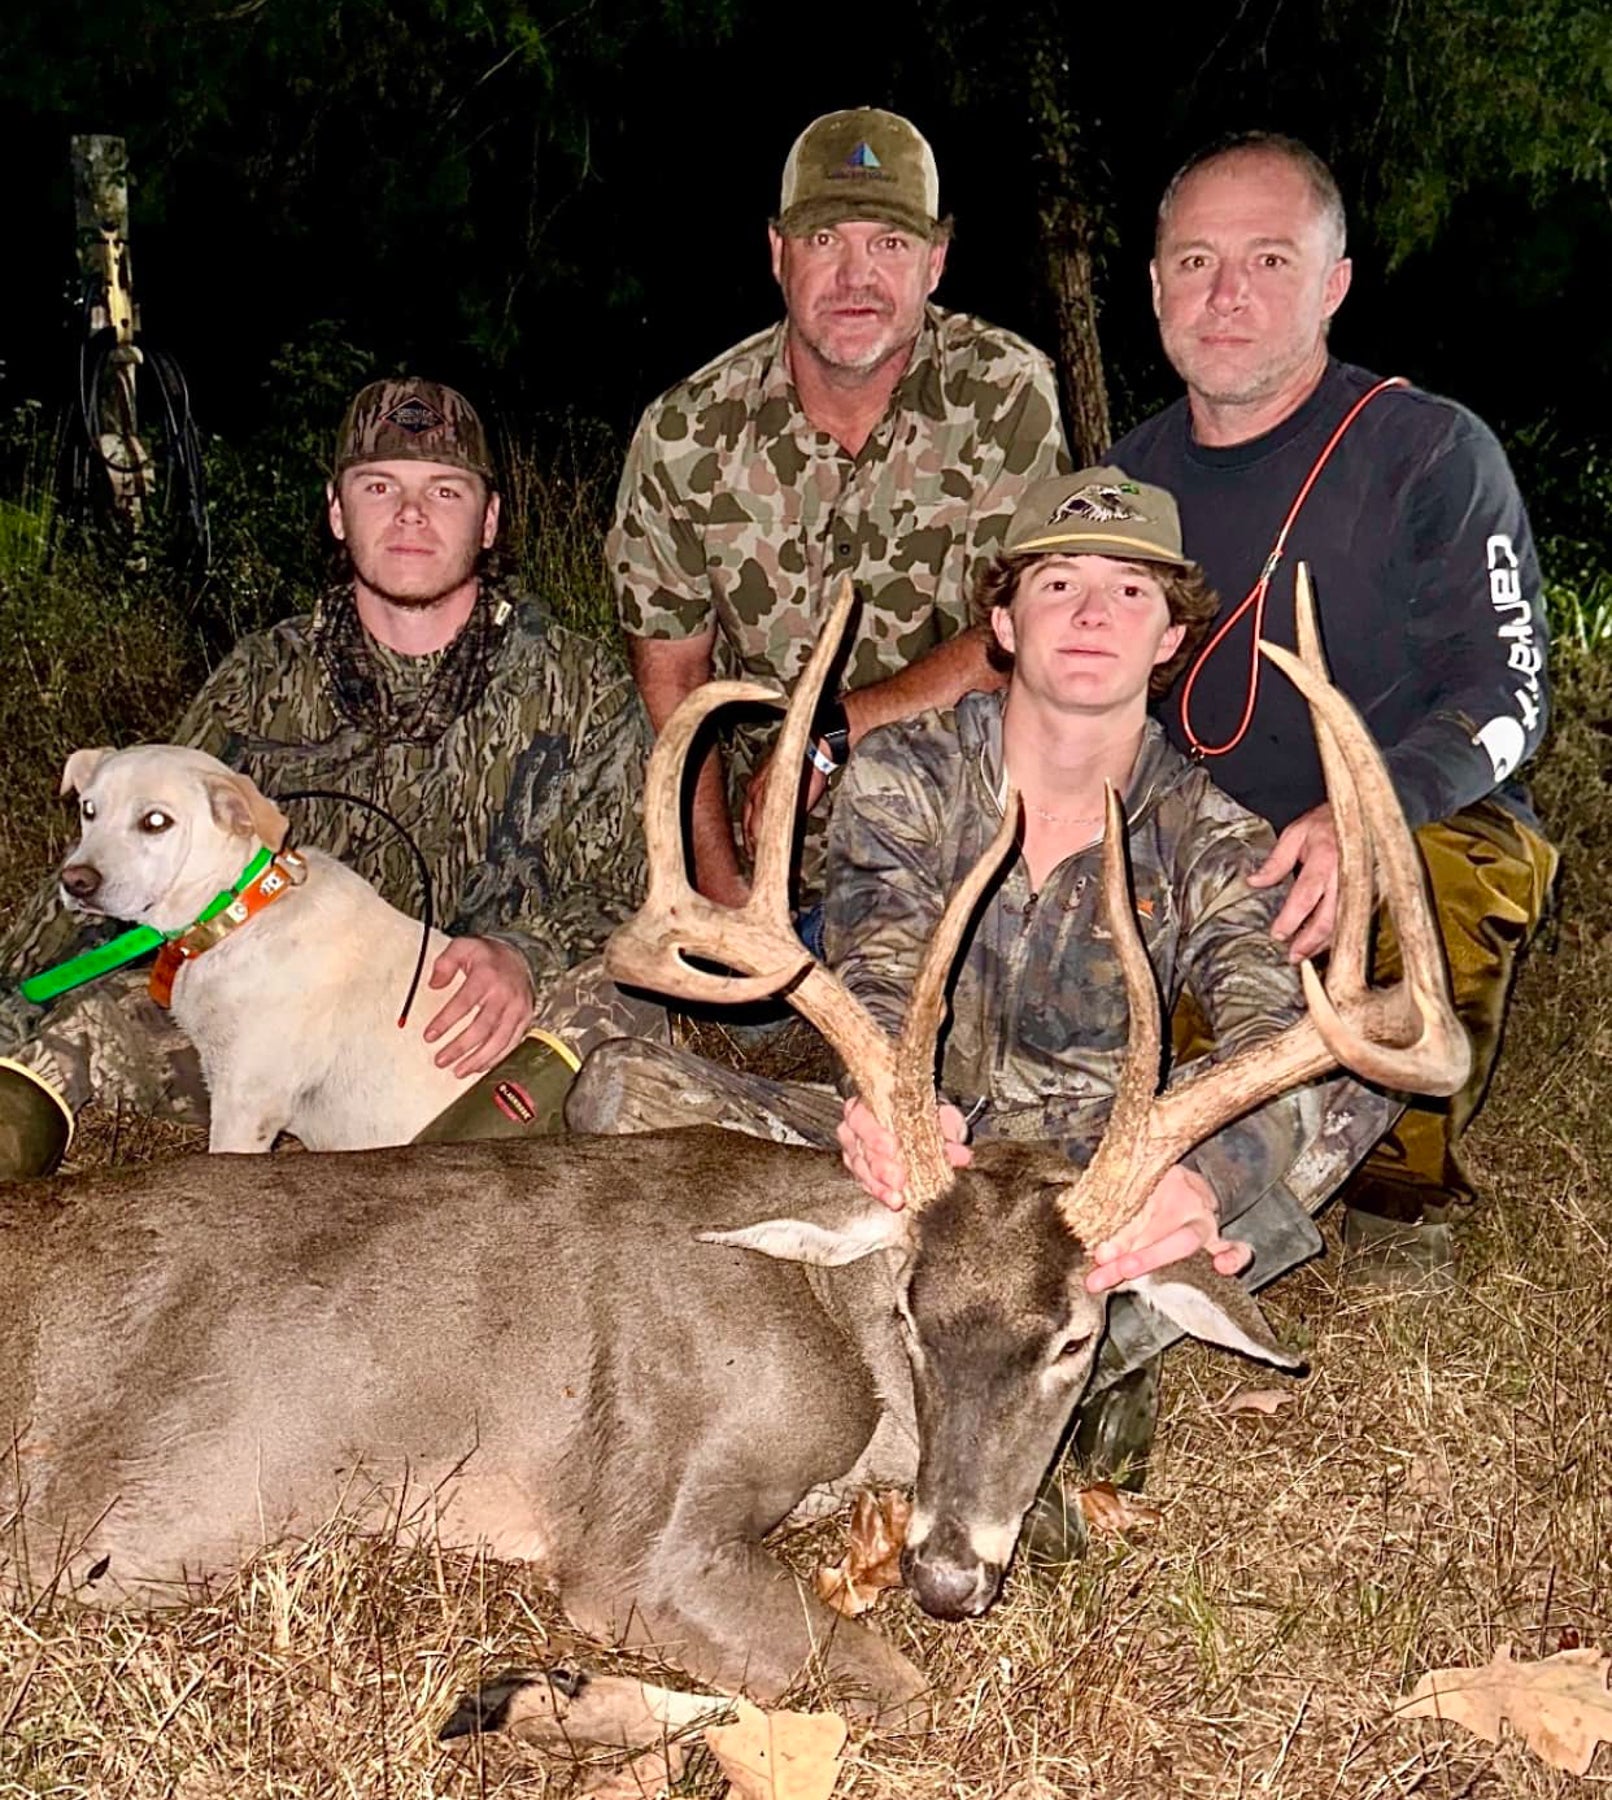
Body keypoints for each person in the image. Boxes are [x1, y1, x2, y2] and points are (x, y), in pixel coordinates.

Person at [569, 467, 1396, 1540]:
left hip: (1092, 1189)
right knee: (621, 1087)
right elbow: (876, 966)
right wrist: (881, 1100)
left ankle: (1079, 1321)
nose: (1093, 613)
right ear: (1002, 623)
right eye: (1058, 584)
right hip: (930, 1154)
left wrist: (1198, 1177)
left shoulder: (1212, 834)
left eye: (1131, 592)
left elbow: (1262, 1027)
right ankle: (1082, 1339)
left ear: (1170, 642)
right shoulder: (905, 773)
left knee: (1342, 1076)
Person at [0, 377, 660, 1178]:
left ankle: (429, 1203)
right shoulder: (262, 678)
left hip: (485, 1028)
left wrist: (524, 953)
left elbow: (632, 888)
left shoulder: (580, 684)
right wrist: (12, 997)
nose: (410, 513)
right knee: (84, 1021)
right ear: (338, 511)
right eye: (379, 486)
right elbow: (128, 844)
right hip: (284, 1024)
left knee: (617, 1004)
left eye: (444, 490)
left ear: (488, 522)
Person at [1109, 133, 1559, 1279]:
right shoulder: (1120, 485)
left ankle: (1400, 1199)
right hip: (1200, 862)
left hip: (1386, 834)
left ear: (1333, 284)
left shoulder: (1428, 452)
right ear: (1155, 283)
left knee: (1451, 871)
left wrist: (1364, 813)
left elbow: (1508, 696)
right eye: (1195, 261)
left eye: (1268, 260)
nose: (1225, 296)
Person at [608, 105, 1069, 913]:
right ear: (780, 255)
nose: (857, 278)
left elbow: (1026, 633)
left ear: (935, 261)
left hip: (959, 828)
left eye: (889, 245)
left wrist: (832, 728)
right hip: (757, 840)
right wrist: (723, 894)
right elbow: (675, 682)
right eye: (826, 242)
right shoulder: (685, 432)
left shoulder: (1004, 392)